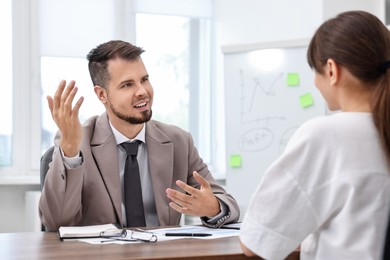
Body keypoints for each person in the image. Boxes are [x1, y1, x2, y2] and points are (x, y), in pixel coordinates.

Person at [39, 40, 240, 232]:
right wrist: (71, 151)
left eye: (144, 79)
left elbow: (229, 205)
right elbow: (56, 222)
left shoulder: (179, 141)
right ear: (102, 95)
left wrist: (213, 207)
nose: (143, 91)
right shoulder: (77, 140)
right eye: (127, 85)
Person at [239, 10, 390, 260]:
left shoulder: (327, 135)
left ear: (331, 70)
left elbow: (255, 243)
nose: (315, 83)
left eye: (315, 71)